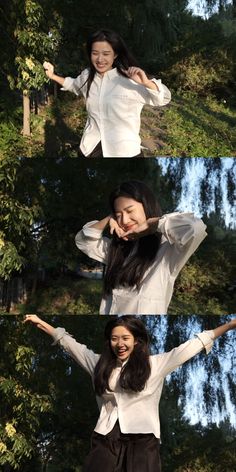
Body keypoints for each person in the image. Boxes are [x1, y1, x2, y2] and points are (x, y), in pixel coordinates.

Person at [24, 314, 236, 472]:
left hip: (143, 438)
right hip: (107, 436)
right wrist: (42, 323)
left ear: (136, 340)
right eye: (114, 339)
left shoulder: (155, 364)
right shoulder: (99, 364)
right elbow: (71, 346)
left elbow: (191, 346)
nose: (120, 344)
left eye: (125, 338)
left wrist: (230, 325)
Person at [75, 180, 207, 315]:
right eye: (119, 215)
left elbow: (194, 228)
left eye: (129, 210)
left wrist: (152, 224)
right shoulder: (117, 249)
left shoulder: (167, 248)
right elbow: (84, 241)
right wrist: (109, 218)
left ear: (146, 206)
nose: (124, 220)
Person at [43, 29, 171, 157]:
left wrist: (146, 83)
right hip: (89, 148)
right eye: (95, 53)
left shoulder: (131, 79)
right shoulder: (87, 75)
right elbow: (73, 84)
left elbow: (163, 98)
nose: (100, 59)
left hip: (124, 151)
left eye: (106, 53)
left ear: (115, 55)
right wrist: (53, 76)